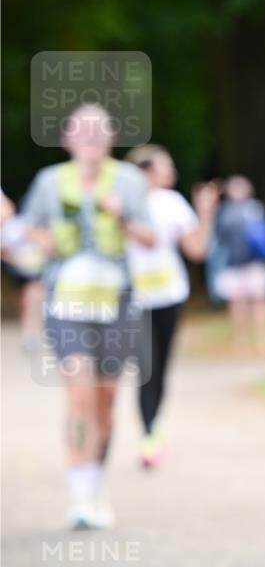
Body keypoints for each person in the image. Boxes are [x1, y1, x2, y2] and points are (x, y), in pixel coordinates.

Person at [21, 104, 155, 529]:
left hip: (116, 304)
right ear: (67, 139)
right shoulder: (49, 181)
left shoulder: (130, 181)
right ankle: (79, 498)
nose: (91, 136)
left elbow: (150, 237)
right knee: (79, 393)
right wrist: (42, 240)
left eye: (99, 129)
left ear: (112, 138)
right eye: (82, 129)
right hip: (67, 305)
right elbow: (28, 228)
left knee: (106, 400)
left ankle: (95, 484)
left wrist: (122, 217)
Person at [125, 145, 219, 467]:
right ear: (145, 171)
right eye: (166, 166)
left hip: (169, 294)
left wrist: (205, 214)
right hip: (133, 297)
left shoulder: (173, 202)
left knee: (161, 366)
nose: (173, 172)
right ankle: (149, 433)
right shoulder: (120, 201)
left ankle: (154, 425)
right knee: (146, 366)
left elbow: (197, 251)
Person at [209, 175, 265, 355]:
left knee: (261, 300)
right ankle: (241, 340)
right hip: (234, 264)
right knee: (237, 302)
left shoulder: (253, 209)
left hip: (255, 263)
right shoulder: (225, 211)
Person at [1, 187, 46, 351]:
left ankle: (30, 333)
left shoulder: (18, 226)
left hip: (24, 262)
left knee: (32, 292)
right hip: (16, 261)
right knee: (31, 293)